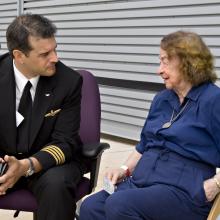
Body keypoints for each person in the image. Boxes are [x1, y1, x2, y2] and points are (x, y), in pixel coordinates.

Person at [80, 31, 220, 220]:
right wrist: (123, 169)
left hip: (184, 190)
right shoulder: (162, 99)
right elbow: (144, 145)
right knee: (91, 206)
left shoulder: (213, 100)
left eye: (165, 61)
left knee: (120, 205)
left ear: (188, 62)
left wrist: (215, 185)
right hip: (142, 181)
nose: (159, 70)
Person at [0, 14, 85, 220]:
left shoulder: (69, 82)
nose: (55, 58)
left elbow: (65, 142)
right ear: (19, 56)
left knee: (56, 186)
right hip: (4, 160)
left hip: (47, 164)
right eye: (45, 53)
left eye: (55, 49)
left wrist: (26, 166)